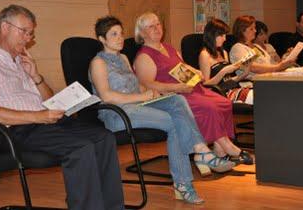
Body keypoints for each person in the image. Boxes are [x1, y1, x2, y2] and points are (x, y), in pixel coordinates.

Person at [0, 5, 124, 210]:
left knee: (104, 138)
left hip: (46, 124)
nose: (28, 38)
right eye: (24, 31)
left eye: (30, 33)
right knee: (81, 148)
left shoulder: (21, 63)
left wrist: (36, 77)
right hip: (16, 132)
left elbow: (50, 101)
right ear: (5, 27)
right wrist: (38, 116)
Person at [89, 16, 234, 205]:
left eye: (121, 33)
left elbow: (136, 86)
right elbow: (107, 96)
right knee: (175, 123)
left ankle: (199, 154)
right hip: (117, 113)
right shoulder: (98, 63)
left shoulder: (123, 58)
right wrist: (142, 96)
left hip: (137, 105)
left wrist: (151, 92)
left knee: (177, 100)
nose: (120, 38)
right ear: (102, 39)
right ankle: (187, 178)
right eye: (113, 34)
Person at [132, 12, 253, 165]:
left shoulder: (168, 48)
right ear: (142, 33)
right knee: (209, 107)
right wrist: (178, 87)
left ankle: (219, 149)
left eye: (158, 24)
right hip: (174, 95)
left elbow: (182, 67)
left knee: (223, 102)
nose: (157, 28)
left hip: (191, 89)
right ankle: (228, 147)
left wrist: (196, 72)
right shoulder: (144, 56)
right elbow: (147, 85)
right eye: (151, 26)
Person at [199, 18, 253, 105]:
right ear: (212, 35)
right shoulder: (205, 55)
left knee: (262, 92)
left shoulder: (224, 52)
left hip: (232, 89)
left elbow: (228, 81)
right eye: (221, 36)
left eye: (225, 35)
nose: (225, 39)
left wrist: (245, 73)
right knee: (257, 97)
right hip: (221, 93)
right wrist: (223, 71)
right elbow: (206, 85)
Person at [229, 15, 294, 79]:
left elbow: (271, 64)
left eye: (254, 28)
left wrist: (286, 58)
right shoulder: (238, 48)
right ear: (242, 31)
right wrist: (278, 67)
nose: (255, 31)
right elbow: (252, 67)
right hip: (252, 83)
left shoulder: (256, 47)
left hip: (268, 79)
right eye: (251, 29)